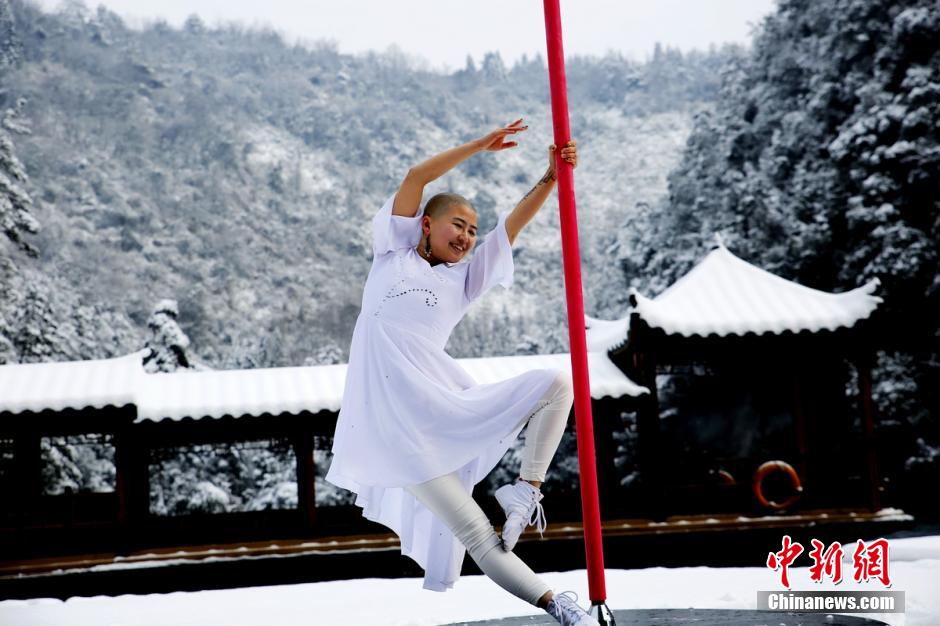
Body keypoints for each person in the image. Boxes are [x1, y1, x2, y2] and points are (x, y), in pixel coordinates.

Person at [325, 118, 600, 625]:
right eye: (459, 225)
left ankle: (530, 503)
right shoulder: (391, 252)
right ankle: (554, 601)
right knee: (474, 534)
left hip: (441, 409)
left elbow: (511, 225)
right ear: (425, 225)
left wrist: (551, 177)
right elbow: (415, 178)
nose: (469, 236)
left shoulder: (465, 280)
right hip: (398, 432)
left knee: (557, 384)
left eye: (474, 230)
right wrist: (479, 145)